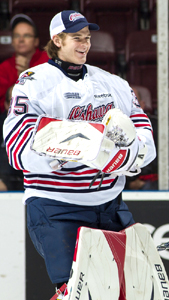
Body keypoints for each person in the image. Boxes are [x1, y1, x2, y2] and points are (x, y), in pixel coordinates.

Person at [2, 10, 156, 298]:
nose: (85, 44)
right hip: (57, 207)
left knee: (130, 291)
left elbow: (144, 132)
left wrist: (129, 155)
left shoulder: (112, 83)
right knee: (76, 292)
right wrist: (79, 150)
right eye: (76, 38)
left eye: (87, 37)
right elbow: (16, 147)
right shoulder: (33, 83)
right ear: (57, 39)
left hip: (110, 205)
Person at [124, 87, 169, 190]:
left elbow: (165, 162)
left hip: (151, 181)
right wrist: (128, 183)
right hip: (122, 181)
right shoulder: (109, 128)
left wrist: (137, 181)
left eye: (133, 101)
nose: (128, 106)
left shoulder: (160, 127)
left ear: (142, 105)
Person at [0, 14, 49, 113]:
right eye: (17, 36)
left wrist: (27, 74)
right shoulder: (4, 67)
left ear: (36, 41)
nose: (21, 40)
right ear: (12, 41)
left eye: (26, 35)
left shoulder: (48, 60)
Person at [0, 85, 24, 191]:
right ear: (6, 105)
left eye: (21, 101)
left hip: (32, 182)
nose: (16, 106)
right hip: (4, 181)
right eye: (12, 101)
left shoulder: (39, 124)